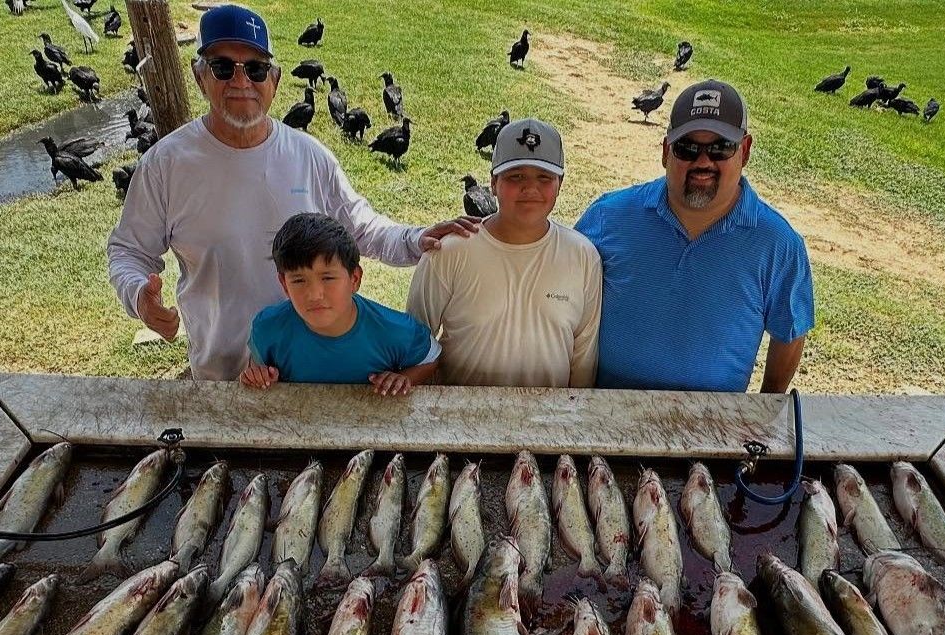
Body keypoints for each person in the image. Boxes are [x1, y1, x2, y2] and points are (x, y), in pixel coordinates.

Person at [106, 4, 476, 381]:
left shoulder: (309, 155)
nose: (241, 81)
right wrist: (139, 297)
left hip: (312, 378)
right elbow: (129, 251)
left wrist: (417, 238)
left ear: (275, 79)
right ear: (200, 77)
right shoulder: (165, 164)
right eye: (222, 67)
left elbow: (360, 228)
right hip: (222, 376)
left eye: (255, 68)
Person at [575, 79, 814, 393]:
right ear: (665, 151)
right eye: (687, 147)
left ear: (744, 150)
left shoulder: (779, 244)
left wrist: (767, 406)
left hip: (714, 427)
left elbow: (790, 331)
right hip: (606, 416)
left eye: (720, 148)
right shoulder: (609, 216)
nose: (703, 162)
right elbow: (558, 287)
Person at [407, 118, 601, 388]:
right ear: (493, 182)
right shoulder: (448, 252)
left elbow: (583, 357)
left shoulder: (583, 256)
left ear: (561, 183)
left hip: (549, 422)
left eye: (544, 177)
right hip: (461, 421)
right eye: (515, 176)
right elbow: (414, 344)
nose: (530, 188)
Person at [241, 213, 439, 395]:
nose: (315, 294)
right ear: (284, 284)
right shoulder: (268, 328)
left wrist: (405, 378)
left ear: (354, 279)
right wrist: (257, 376)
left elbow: (431, 358)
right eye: (299, 280)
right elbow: (256, 367)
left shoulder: (393, 329)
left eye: (327, 278)